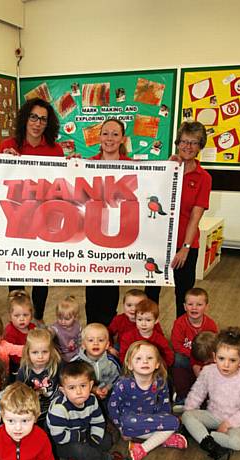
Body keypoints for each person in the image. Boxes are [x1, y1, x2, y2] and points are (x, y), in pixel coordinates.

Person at [0, 98, 63, 322]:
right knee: (15, 271)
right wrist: (3, 162)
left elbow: (62, 183)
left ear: (48, 123)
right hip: (16, 218)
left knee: (41, 272)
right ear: (25, 118)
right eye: (33, 117)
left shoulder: (55, 150)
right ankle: (17, 319)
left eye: (43, 119)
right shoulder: (8, 145)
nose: (37, 123)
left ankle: (37, 319)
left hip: (44, 220)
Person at [146, 121, 212, 318]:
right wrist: (167, 167)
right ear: (177, 143)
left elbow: (195, 217)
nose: (187, 147)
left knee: (183, 294)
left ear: (200, 146)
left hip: (185, 245)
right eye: (184, 141)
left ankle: (181, 337)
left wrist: (185, 247)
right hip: (158, 242)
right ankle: (149, 333)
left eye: (194, 142)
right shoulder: (166, 169)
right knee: (151, 292)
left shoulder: (204, 177)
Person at [182, 327, 240, 460]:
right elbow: (197, 393)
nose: (226, 364)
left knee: (238, 443)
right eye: (221, 358)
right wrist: (189, 410)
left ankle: (204, 435)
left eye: (232, 360)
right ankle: (211, 444)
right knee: (187, 416)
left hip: (235, 421)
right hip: (213, 415)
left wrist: (228, 424)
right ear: (214, 356)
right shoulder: (208, 371)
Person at [47, 361, 136, 460]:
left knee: (106, 441)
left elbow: (97, 421)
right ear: (63, 390)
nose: (78, 392)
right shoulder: (59, 409)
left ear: (91, 385)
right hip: (61, 443)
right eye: (72, 388)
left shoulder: (92, 399)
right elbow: (59, 437)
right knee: (79, 450)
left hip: (82, 433)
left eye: (83, 386)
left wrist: (94, 436)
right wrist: (83, 437)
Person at [108, 342, 187, 460]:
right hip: (130, 422)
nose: (144, 362)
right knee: (129, 422)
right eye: (138, 358)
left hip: (152, 418)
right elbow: (112, 407)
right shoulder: (123, 384)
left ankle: (142, 448)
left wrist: (166, 420)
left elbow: (165, 403)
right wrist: (120, 427)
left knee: (175, 422)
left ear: (157, 364)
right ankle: (165, 439)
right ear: (130, 364)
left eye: (149, 358)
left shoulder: (160, 381)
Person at [85, 118, 130, 326]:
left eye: (115, 134)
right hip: (92, 239)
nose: (109, 138)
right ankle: (92, 338)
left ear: (123, 139)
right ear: (99, 137)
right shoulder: (87, 164)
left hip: (117, 239)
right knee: (92, 296)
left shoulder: (132, 167)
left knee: (111, 295)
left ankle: (107, 340)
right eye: (105, 133)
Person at [171, 287, 218, 402]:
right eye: (190, 304)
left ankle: (209, 396)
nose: (194, 307)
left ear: (206, 307)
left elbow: (214, 345)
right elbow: (177, 346)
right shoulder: (179, 323)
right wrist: (194, 359)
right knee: (176, 360)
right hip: (186, 357)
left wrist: (204, 360)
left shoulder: (210, 324)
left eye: (199, 304)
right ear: (184, 306)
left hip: (204, 359)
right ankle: (183, 395)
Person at [17, 328, 61, 428]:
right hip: (36, 413)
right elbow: (20, 395)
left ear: (51, 351)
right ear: (28, 352)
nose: (40, 356)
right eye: (35, 352)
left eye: (45, 352)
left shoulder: (57, 365)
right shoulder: (24, 372)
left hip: (56, 409)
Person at [73, 323, 121, 403]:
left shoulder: (111, 361)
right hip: (84, 395)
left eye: (101, 340)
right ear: (83, 345)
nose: (96, 343)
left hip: (106, 393)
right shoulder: (77, 363)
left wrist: (108, 388)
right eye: (91, 340)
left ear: (107, 345)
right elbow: (72, 382)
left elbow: (117, 377)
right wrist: (92, 389)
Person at [119, 298, 174, 366]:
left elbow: (169, 356)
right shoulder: (127, 337)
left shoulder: (160, 339)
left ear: (156, 321)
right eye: (139, 319)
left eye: (148, 320)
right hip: (133, 367)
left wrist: (161, 366)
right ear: (135, 319)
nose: (143, 324)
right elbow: (123, 356)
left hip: (153, 368)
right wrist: (129, 366)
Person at [4, 290, 36, 377]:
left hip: (32, 360)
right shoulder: (10, 331)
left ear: (31, 315)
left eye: (25, 315)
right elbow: (11, 353)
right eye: (17, 316)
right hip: (16, 364)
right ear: (10, 316)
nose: (21, 319)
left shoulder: (33, 328)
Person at [108, 289, 148, 357]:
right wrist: (110, 347)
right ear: (123, 305)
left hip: (143, 348)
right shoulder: (119, 319)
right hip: (121, 347)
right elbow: (107, 333)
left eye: (137, 306)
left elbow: (160, 337)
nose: (133, 309)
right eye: (129, 305)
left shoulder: (149, 320)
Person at [49, 295, 82, 362]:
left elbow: (80, 338)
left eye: (67, 319)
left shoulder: (77, 326)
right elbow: (51, 332)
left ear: (75, 317)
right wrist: (48, 332)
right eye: (60, 318)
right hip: (61, 357)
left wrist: (77, 342)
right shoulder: (56, 328)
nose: (63, 322)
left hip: (77, 354)